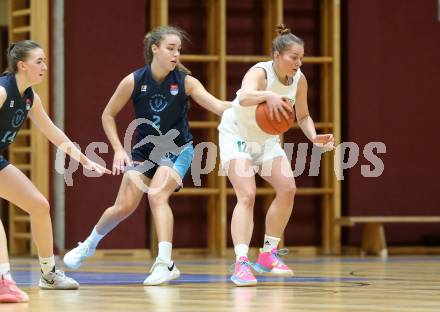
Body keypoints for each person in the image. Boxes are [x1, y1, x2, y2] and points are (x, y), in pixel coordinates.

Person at [63, 26, 230, 286]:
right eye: (170, 48)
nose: (176, 54)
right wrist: (118, 149)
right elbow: (107, 115)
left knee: (157, 195)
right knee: (123, 207)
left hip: (177, 150)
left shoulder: (186, 82)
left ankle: (164, 262)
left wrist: (251, 102)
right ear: (155, 49)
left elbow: (219, 106)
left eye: (178, 50)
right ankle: (88, 245)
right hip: (144, 151)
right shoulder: (133, 81)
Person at [218, 24, 334, 286]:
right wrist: (268, 94)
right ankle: (241, 263)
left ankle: (268, 255)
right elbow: (245, 97)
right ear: (277, 56)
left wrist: (313, 136)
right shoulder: (260, 72)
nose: (298, 62)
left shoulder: (299, 79)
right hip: (237, 134)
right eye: (294, 57)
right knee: (247, 195)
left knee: (288, 188)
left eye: (301, 58)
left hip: (266, 139)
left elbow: (302, 116)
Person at [0, 40, 110, 303]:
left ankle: (48, 274)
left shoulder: (29, 98)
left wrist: (84, 161)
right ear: (22, 65)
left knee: (39, 205)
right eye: (39, 61)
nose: (45, 67)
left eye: (45, 61)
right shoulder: (2, 91)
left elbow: (53, 133)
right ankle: (3, 280)